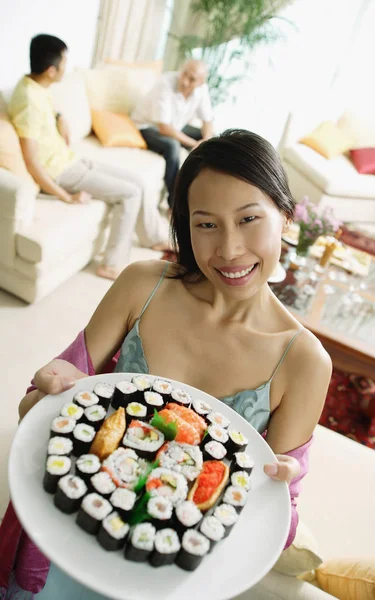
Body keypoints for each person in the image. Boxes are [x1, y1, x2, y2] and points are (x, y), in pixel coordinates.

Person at [4, 130, 332, 599]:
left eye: (249, 219)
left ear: (285, 215)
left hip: (166, 577)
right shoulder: (142, 285)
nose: (230, 248)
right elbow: (33, 412)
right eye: (206, 224)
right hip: (64, 538)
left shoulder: (303, 362)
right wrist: (48, 392)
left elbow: (274, 532)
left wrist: (277, 491)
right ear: (184, 225)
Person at [8, 34, 170, 281]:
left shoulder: (34, 85)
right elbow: (31, 161)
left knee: (138, 181)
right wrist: (66, 196)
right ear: (51, 70)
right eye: (64, 63)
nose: (66, 67)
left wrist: (59, 116)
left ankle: (155, 238)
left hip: (70, 158)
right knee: (130, 193)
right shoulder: (28, 101)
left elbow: (46, 111)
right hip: (60, 172)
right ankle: (111, 264)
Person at [132, 59, 214, 208]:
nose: (184, 81)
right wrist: (196, 144)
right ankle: (174, 205)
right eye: (184, 74)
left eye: (192, 79)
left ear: (201, 82)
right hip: (146, 126)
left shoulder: (202, 90)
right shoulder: (165, 83)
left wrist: (206, 140)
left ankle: (206, 196)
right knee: (172, 146)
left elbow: (208, 120)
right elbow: (165, 128)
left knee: (214, 143)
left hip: (176, 127)